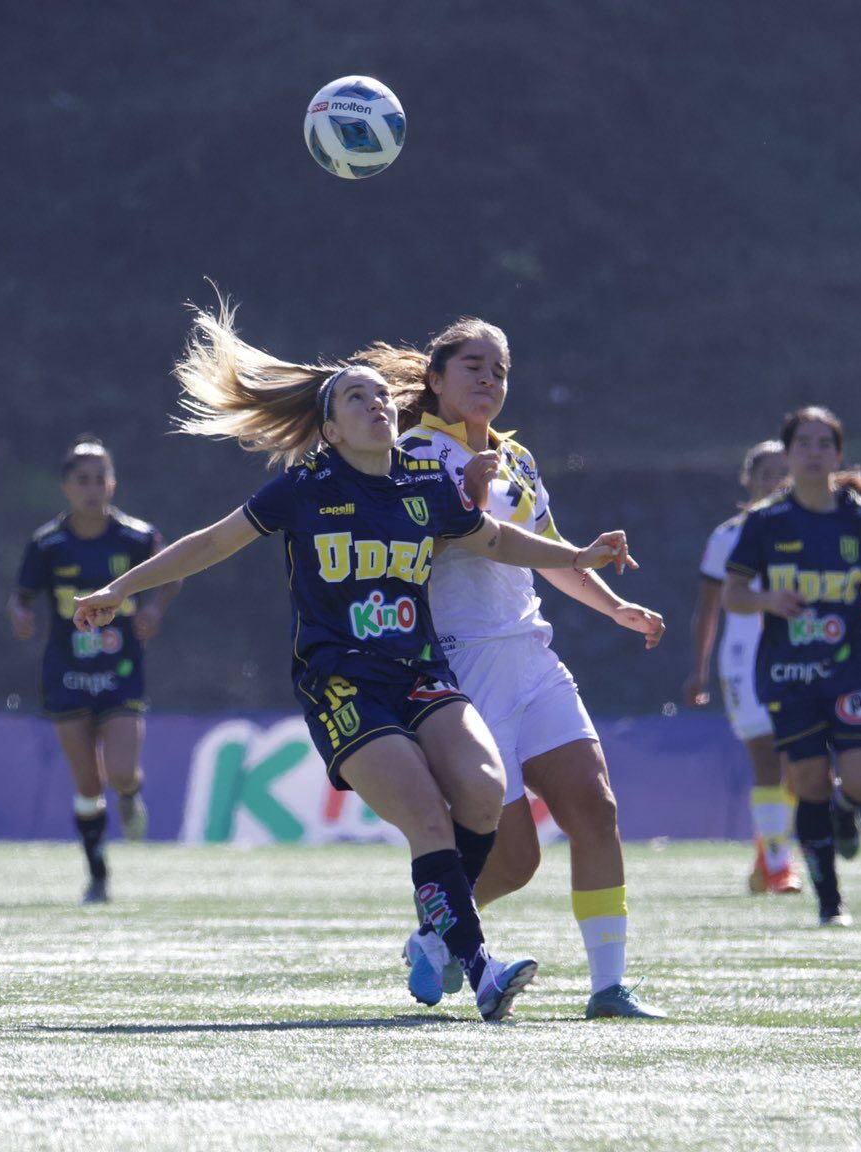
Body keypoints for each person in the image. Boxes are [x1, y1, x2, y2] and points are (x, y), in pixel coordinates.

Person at [73, 300, 637, 1022]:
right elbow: (211, 543)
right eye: (355, 396)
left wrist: (582, 558)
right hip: (345, 681)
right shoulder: (307, 488)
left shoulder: (424, 485)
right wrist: (121, 588)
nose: (375, 402)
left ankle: (450, 938)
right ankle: (481, 968)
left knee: (485, 789)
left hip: (423, 673)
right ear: (330, 430)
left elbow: (499, 541)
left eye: (379, 394)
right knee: (434, 822)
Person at [358, 320, 668, 1020]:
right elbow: (403, 551)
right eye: (472, 367)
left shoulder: (518, 458)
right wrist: (460, 501)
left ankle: (609, 988)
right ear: (435, 380)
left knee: (596, 807)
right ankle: (440, 926)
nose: (488, 381)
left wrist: (615, 607)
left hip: (532, 657)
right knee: (516, 859)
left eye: (499, 370)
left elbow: (550, 548)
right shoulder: (409, 453)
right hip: (461, 670)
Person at [722, 407, 861, 926]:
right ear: (787, 454)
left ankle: (846, 812)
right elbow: (733, 595)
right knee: (807, 781)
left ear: (838, 454)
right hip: (788, 671)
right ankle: (831, 902)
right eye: (803, 443)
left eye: (823, 443)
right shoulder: (765, 523)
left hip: (852, 668)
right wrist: (765, 601)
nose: (813, 452)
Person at [8, 436, 178, 904]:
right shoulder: (47, 544)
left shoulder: (138, 537)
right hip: (66, 671)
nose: (91, 488)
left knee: (121, 773)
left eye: (99, 478)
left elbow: (172, 574)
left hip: (120, 668)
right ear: (65, 486)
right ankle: (97, 872)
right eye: (81, 480)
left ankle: (128, 795)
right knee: (86, 782)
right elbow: (21, 596)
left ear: (113, 483)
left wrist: (152, 610)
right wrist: (20, 614)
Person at [682, 439, 802, 896]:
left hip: (795, 659)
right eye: (765, 474)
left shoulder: (805, 531)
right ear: (747, 480)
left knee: (799, 767)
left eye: (782, 474)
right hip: (743, 662)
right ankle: (778, 868)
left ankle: (766, 857)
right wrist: (700, 669)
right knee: (767, 760)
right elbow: (708, 609)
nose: (774, 482)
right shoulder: (728, 536)